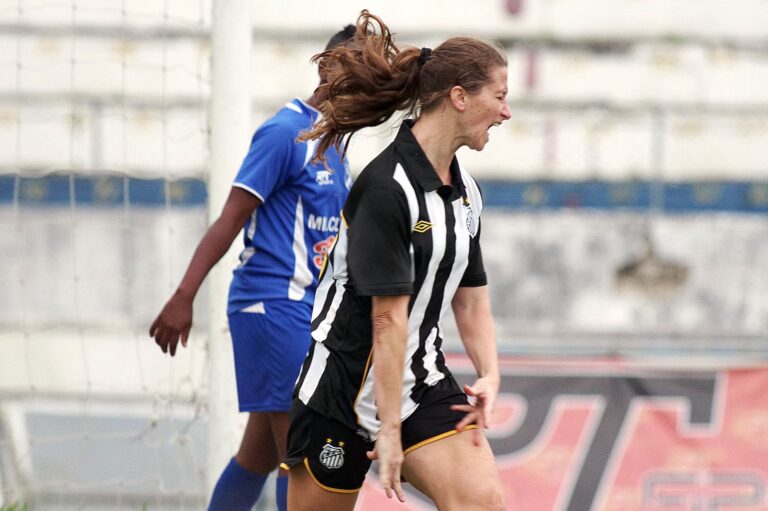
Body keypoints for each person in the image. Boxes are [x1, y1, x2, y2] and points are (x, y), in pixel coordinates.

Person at [281, 10, 511, 511]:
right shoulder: (386, 188)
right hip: (341, 391)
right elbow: (386, 319)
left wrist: (489, 374)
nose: (506, 112)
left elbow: (470, 301)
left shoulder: (467, 193)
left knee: (485, 503)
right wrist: (386, 429)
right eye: (499, 96)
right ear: (459, 97)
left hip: (420, 384)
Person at [148, 24, 356, 511]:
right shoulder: (284, 133)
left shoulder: (336, 144)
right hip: (272, 305)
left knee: (257, 456)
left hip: (303, 311)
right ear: (328, 68)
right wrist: (184, 296)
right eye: (361, 70)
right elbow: (231, 218)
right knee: (300, 458)